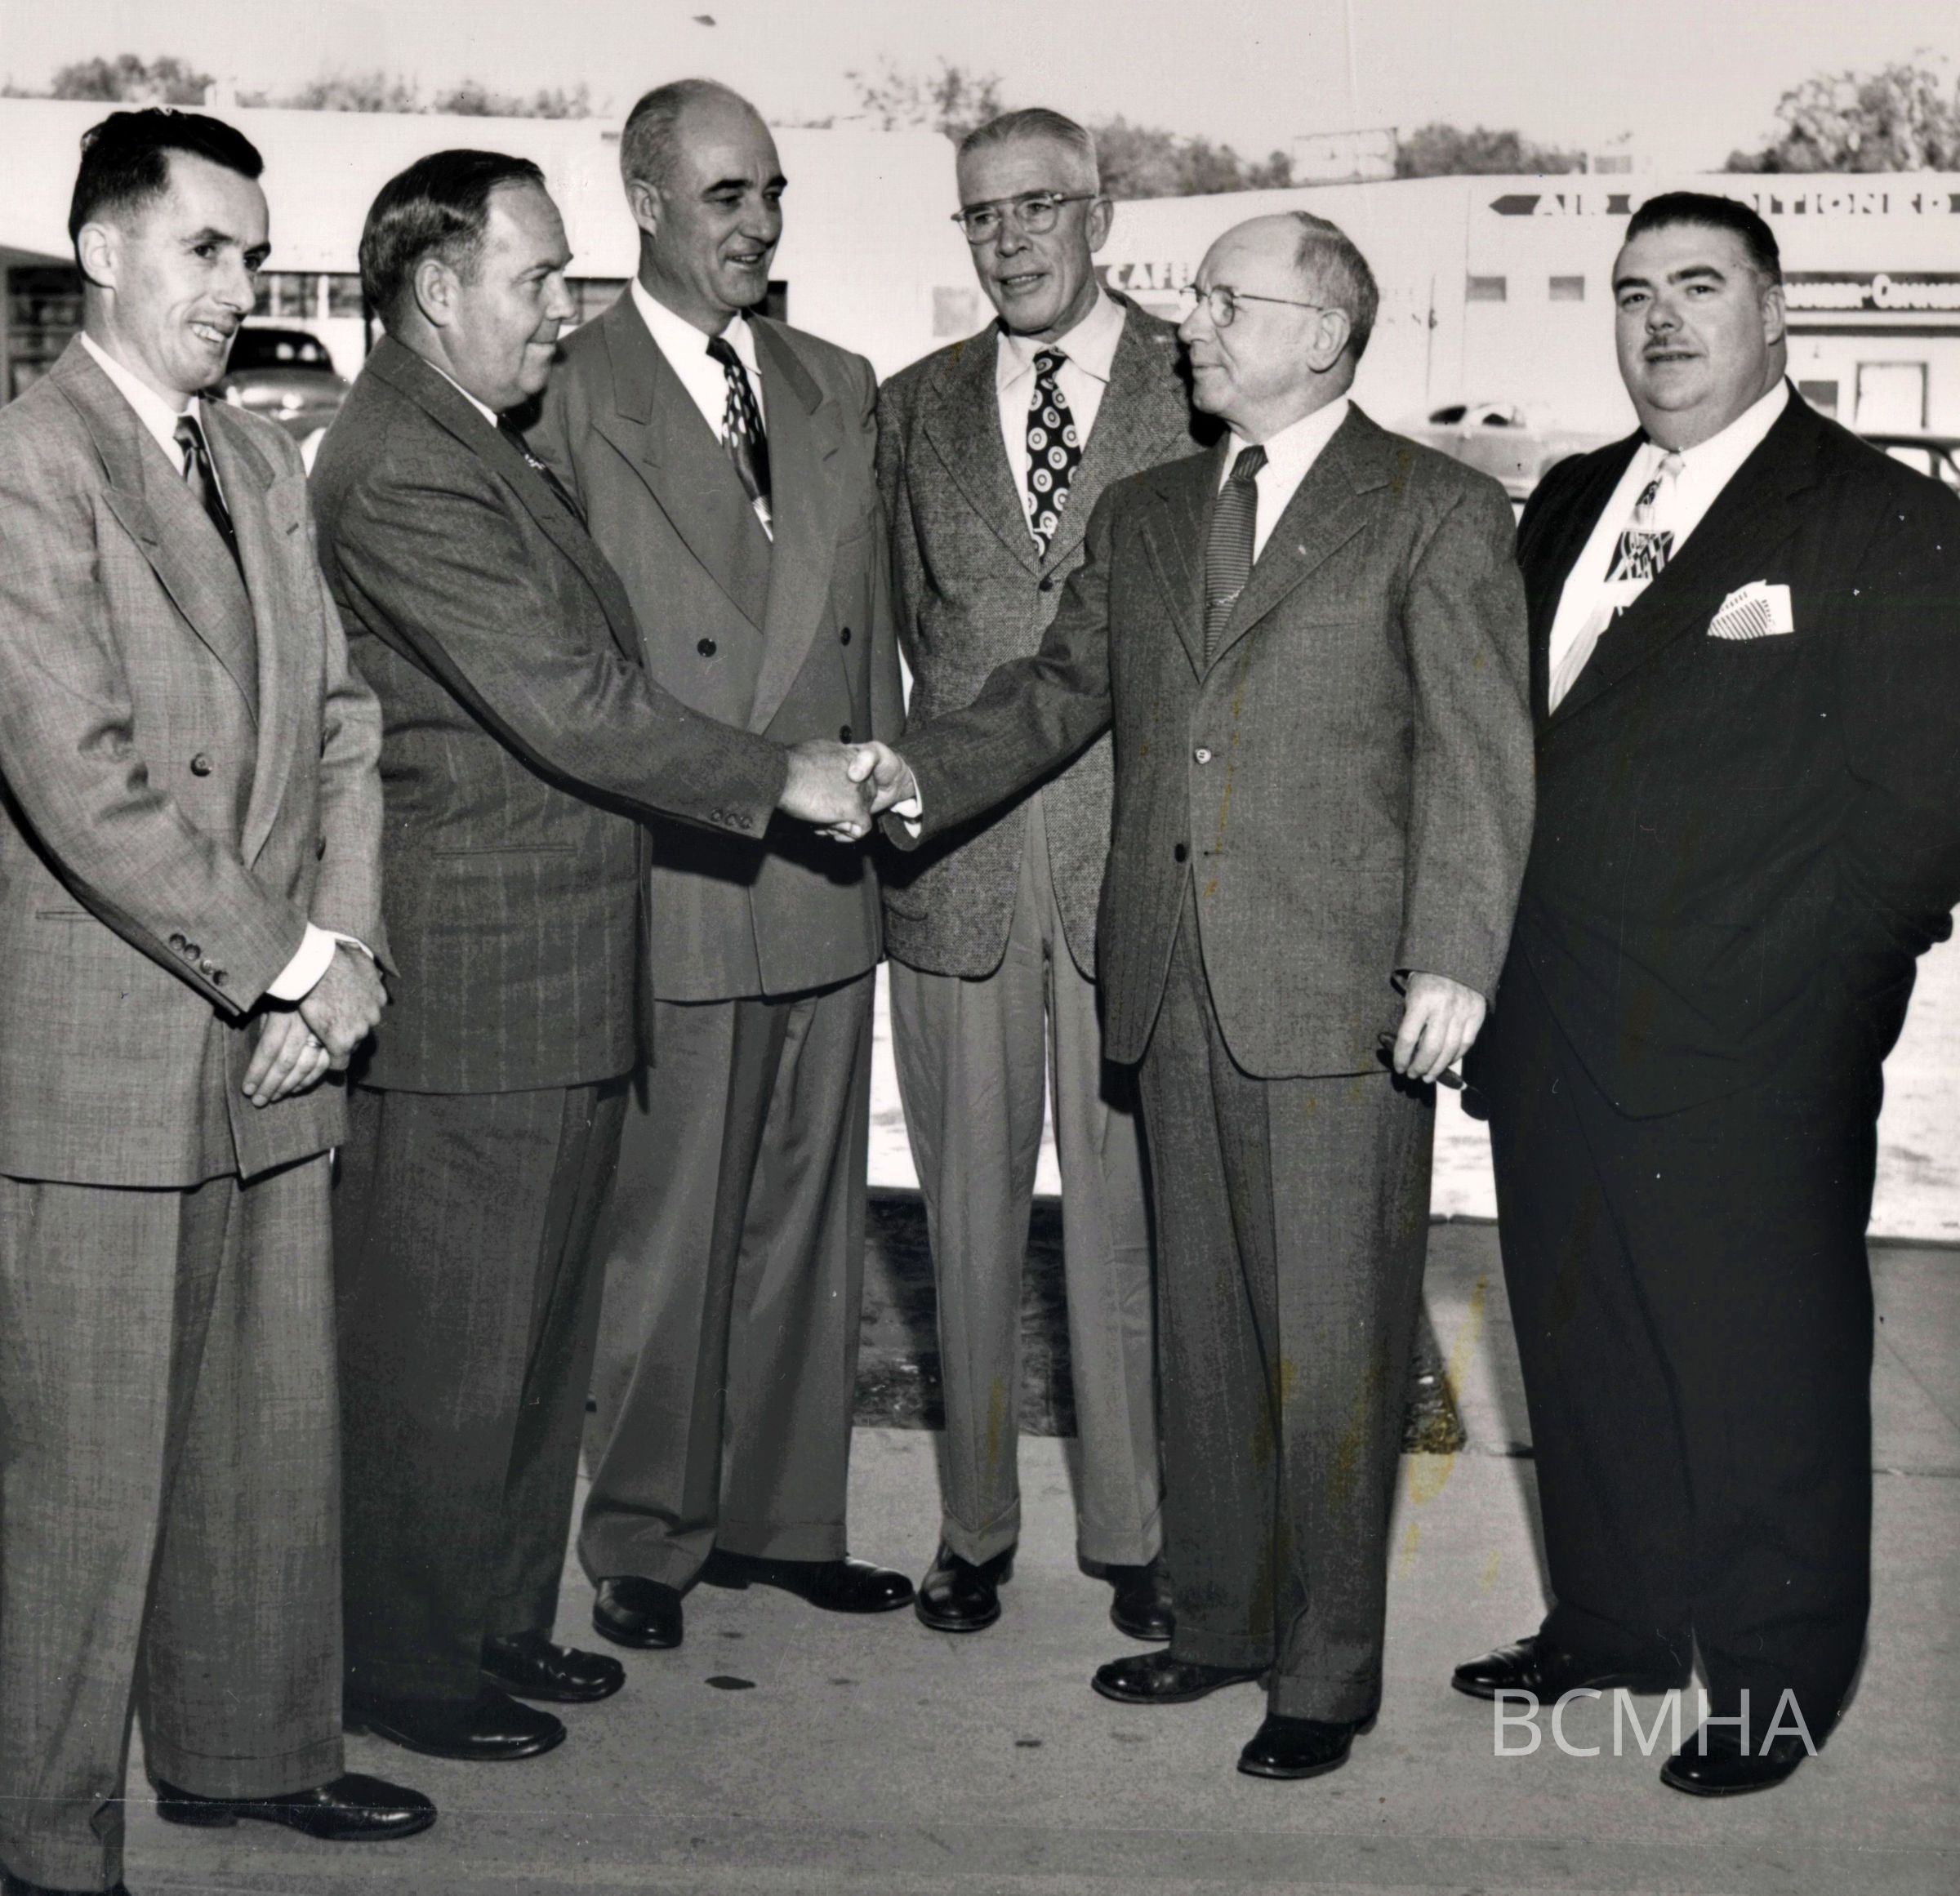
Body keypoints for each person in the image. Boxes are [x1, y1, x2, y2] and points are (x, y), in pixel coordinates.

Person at [844, 211, 1532, 1780]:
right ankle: (1216, 1620)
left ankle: (1326, 1669)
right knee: (1205, 1335)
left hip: (1341, 997)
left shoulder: (1432, 510)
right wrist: (912, 773)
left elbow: (1481, 751)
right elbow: (1054, 694)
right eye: (1195, 296)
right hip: (1166, 978)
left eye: (1228, 301)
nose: (1190, 325)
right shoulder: (1149, 509)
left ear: (1325, 334)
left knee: (1333, 1345)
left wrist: (1456, 953)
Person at [312, 149, 874, 1764]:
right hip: (479, 980)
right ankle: (403, 1664)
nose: (565, 307)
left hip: (552, 966)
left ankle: (495, 1621)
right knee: (447, 1354)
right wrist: (782, 778)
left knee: (532, 1340)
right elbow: (570, 702)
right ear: (438, 290)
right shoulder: (402, 464)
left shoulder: (471, 434)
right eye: (537, 278)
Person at [1452, 191, 1960, 1796]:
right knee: (1583, 1339)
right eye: (1631, 293)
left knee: (1765, 1368)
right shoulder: (1569, 497)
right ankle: (1613, 1623)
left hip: (1754, 1042)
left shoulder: (1879, 515)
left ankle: (1772, 1678)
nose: (1659, 320)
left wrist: (1818, 1003)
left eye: (1697, 285)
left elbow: (1923, 814)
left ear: (1775, 310)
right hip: (1554, 1021)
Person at [0, 109, 434, 1896]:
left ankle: (250, 1757)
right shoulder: (29, 465)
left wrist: (345, 959)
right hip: (108, 1050)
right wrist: (293, 964)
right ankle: (45, 1840)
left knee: (264, 1442)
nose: (239, 284)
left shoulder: (257, 457)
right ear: (103, 252)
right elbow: (81, 779)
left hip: (277, 1030)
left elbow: (344, 725)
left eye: (254, 253)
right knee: (80, 1487)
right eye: (206, 249)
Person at [526, 78, 911, 1656]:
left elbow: (868, 639)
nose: (758, 223)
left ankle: (781, 1521)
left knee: (810, 1223)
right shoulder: (565, 393)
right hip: (677, 867)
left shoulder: (836, 382)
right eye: (724, 196)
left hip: (826, 876)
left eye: (772, 192)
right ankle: (645, 1532)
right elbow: (573, 680)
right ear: (643, 204)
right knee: (669, 1229)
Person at [875, 108, 1209, 1640]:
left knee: (1127, 1220)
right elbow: (901, 630)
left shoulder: (1194, 386)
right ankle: (973, 1527)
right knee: (964, 1224)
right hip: (957, 879)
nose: (1009, 241)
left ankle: (1136, 1531)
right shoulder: (911, 409)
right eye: (981, 216)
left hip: (1130, 872)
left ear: (1101, 215)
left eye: (1038, 208)